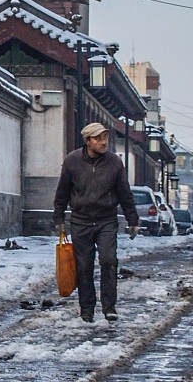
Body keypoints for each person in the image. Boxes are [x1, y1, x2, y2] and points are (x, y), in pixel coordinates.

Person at [52, 122, 138, 325]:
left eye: (105, 138)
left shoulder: (114, 163)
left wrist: (132, 219)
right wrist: (59, 219)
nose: (103, 142)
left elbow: (125, 193)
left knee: (109, 260)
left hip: (106, 220)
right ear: (87, 141)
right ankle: (87, 309)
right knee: (84, 266)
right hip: (80, 221)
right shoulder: (72, 161)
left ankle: (109, 307)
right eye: (98, 138)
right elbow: (62, 191)